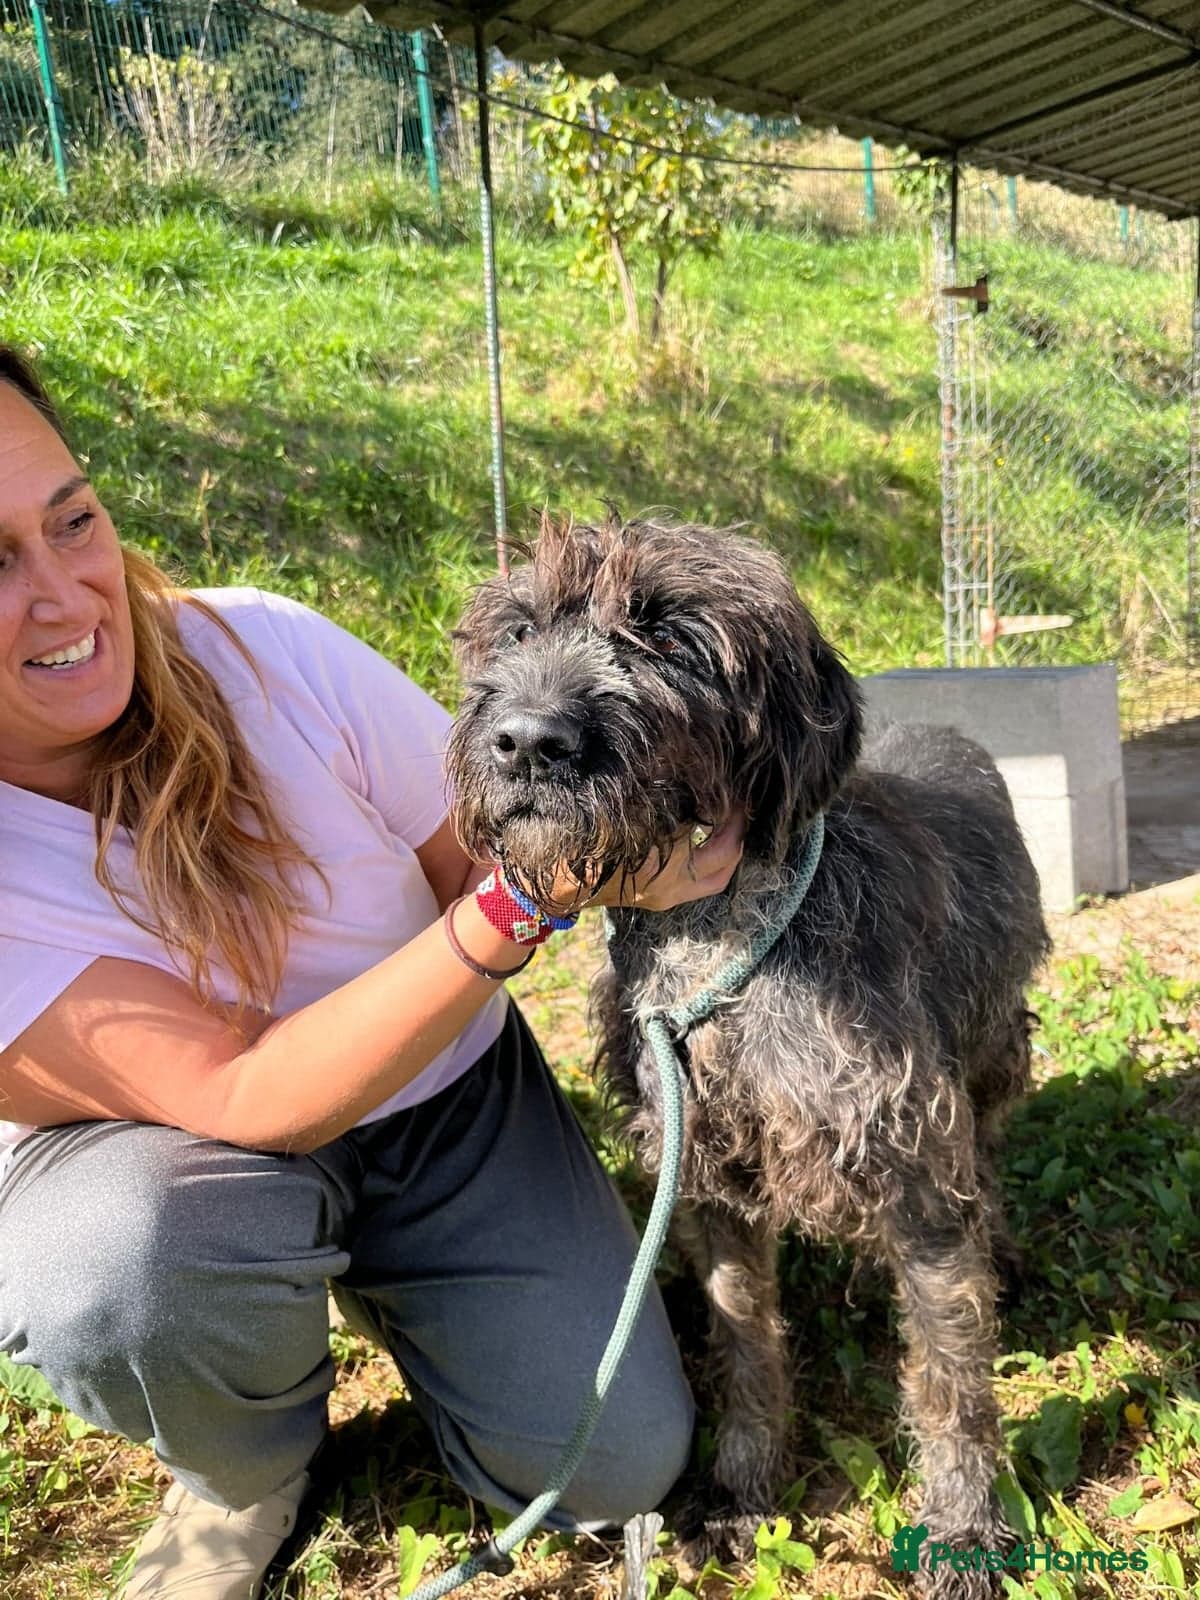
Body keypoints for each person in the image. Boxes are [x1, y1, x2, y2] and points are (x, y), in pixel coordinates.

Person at [0, 348, 745, 1600]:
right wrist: (526, 906)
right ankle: (246, 1461)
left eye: (71, 519)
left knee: (614, 1461)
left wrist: (621, 851)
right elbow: (247, 1097)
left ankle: (411, 1281)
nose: (65, 594)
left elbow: (474, 847)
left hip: (443, 1104)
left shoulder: (266, 651)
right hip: (184, 1171)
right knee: (112, 1269)